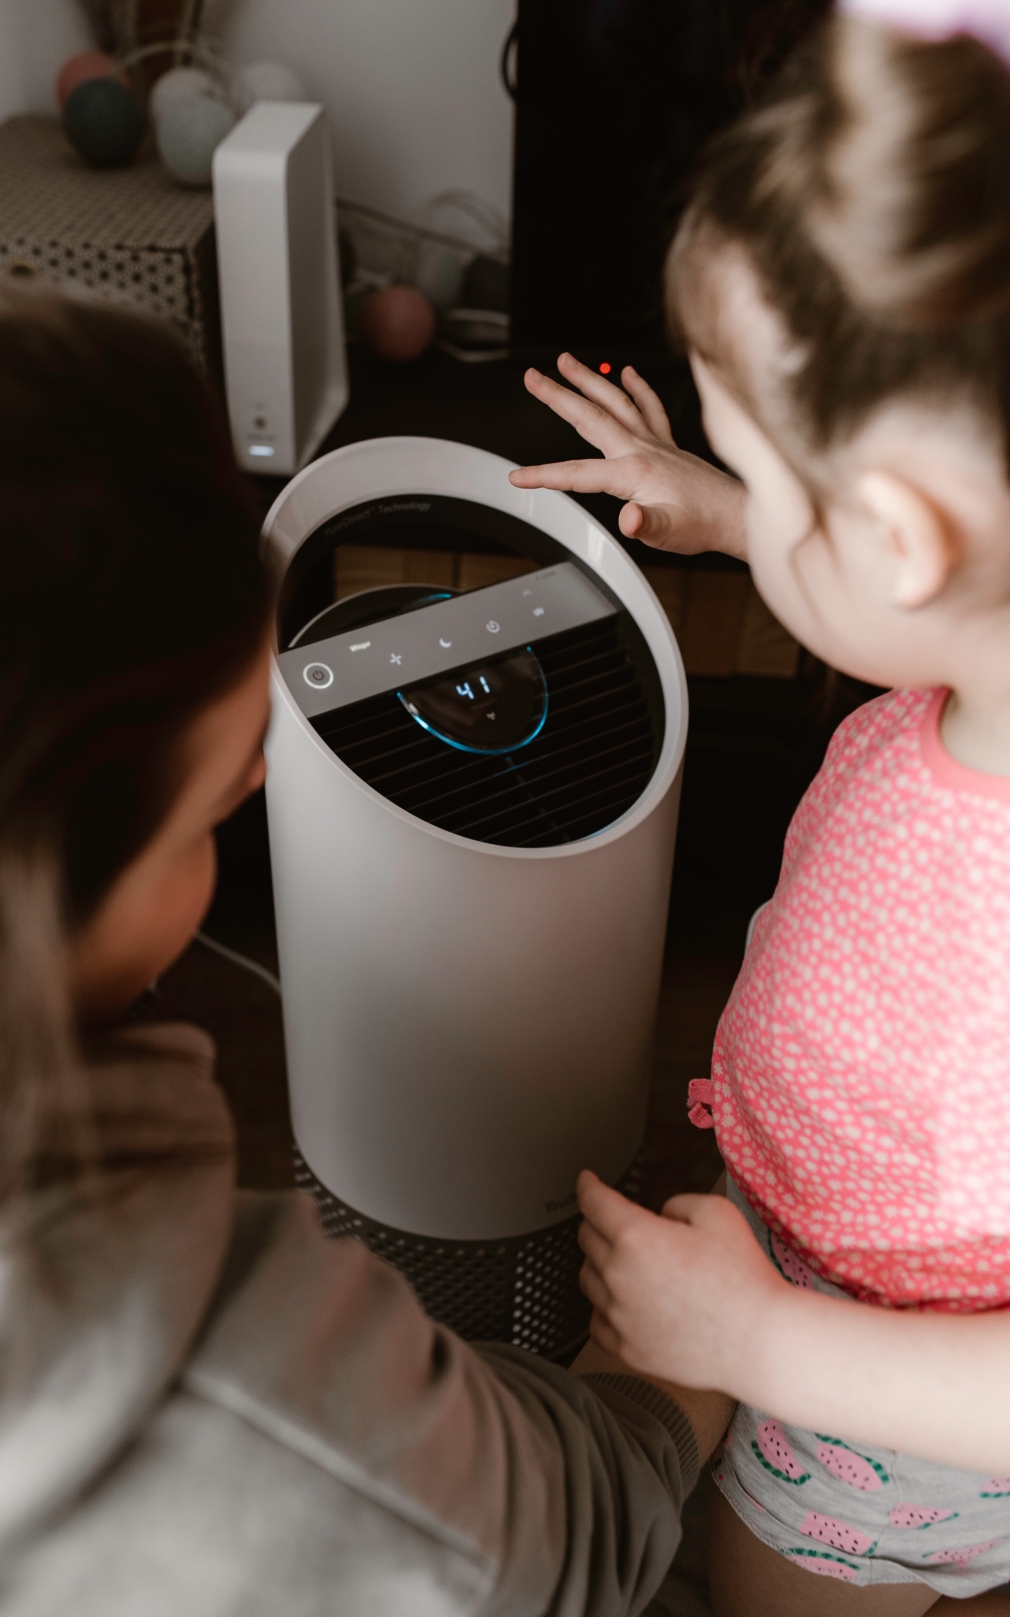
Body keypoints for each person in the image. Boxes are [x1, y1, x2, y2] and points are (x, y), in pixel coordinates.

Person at [0, 276, 735, 1617]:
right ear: (33, 896)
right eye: (214, 803)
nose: (262, 782)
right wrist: (721, 1308)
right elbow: (569, 1535)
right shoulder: (282, 1421)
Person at [509, 2, 1010, 1613]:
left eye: (778, 479)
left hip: (882, 1421)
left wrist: (757, 1340)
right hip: (801, 1256)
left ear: (905, 536)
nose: (760, 510)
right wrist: (739, 518)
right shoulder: (974, 649)